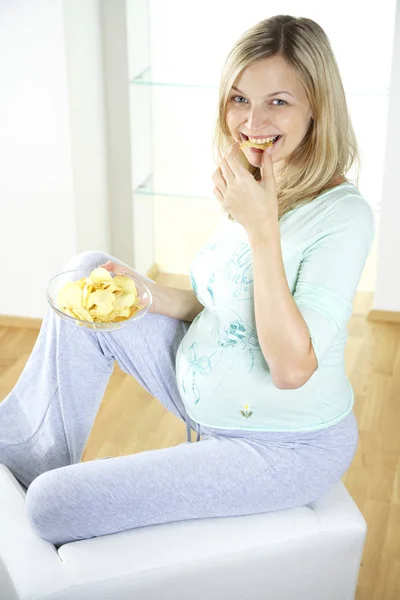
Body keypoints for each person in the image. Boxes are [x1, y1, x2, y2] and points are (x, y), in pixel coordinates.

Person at [0, 14, 374, 547]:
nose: (252, 120)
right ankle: (26, 446)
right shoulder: (263, 173)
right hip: (204, 383)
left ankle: (36, 476)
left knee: (50, 505)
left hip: (279, 444)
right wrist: (149, 295)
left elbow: (293, 369)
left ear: (318, 107)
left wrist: (260, 226)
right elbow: (227, 305)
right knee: (86, 273)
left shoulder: (344, 217)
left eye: (278, 101)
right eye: (240, 98)